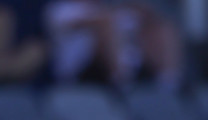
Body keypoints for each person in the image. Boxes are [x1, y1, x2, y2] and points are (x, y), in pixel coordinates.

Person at [44, 0, 184, 89]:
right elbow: (89, 23)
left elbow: (143, 18)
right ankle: (123, 84)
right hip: (82, 71)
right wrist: (111, 17)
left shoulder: (109, 10)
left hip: (133, 66)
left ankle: (169, 84)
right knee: (106, 26)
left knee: (163, 29)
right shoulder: (62, 9)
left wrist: (142, 12)